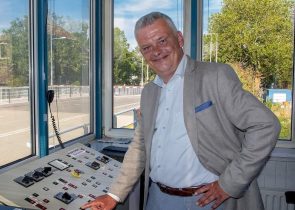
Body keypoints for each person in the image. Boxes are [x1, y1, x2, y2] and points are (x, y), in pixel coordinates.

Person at [81, 12, 280, 210]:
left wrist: (230, 183)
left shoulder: (215, 76)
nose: (156, 51)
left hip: (209, 200)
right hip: (159, 199)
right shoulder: (149, 93)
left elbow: (265, 125)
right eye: (147, 48)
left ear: (179, 39)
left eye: (162, 41)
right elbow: (140, 147)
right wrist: (114, 195)